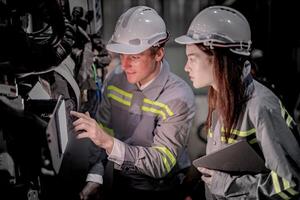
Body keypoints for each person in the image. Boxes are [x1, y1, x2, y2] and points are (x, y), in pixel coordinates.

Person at [175, 5, 300, 200]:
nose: (186, 67)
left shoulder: (261, 106)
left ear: (217, 58)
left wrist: (227, 185)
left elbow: (291, 184)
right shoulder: (220, 95)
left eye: (192, 58)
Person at [71, 6, 195, 200]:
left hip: (164, 190)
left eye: (134, 57)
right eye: (122, 55)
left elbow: (161, 164)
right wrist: (96, 174)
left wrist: (110, 143)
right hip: (123, 182)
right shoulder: (115, 79)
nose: (125, 64)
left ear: (159, 54)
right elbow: (103, 131)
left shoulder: (178, 97)